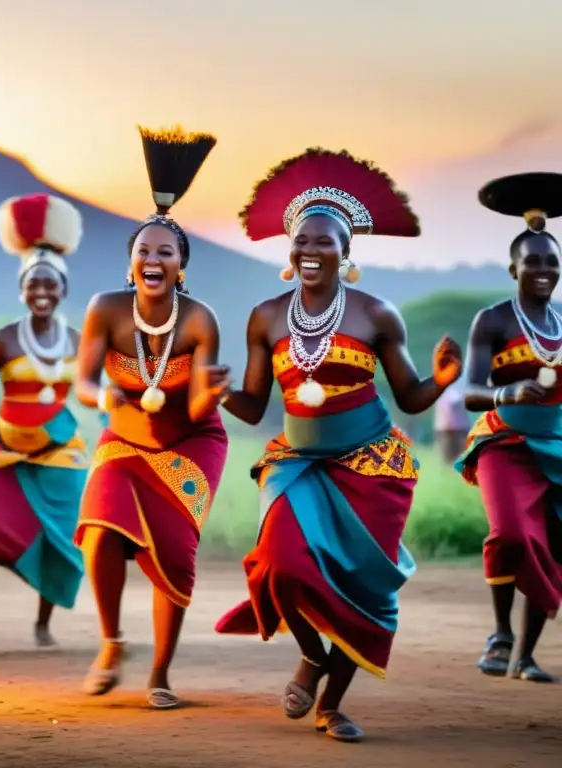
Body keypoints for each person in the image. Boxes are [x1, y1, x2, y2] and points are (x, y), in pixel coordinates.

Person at [214, 148, 462, 742]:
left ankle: (332, 704)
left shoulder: (377, 315)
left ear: (346, 254)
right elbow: (254, 404)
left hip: (369, 466)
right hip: (298, 463)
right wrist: (218, 390)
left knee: (358, 583)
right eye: (302, 240)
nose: (311, 251)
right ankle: (313, 653)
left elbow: (409, 396)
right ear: (289, 248)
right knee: (278, 563)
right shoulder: (266, 317)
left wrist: (444, 381)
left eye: (326, 242)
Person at [72, 126, 229, 710]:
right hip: (126, 434)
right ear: (131, 262)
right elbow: (85, 381)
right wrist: (103, 401)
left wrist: (209, 395)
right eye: (144, 250)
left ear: (181, 267)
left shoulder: (199, 320)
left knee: (173, 551)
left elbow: (192, 408)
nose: (153, 258)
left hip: (191, 441)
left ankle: (160, 672)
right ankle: (111, 642)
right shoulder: (105, 310)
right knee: (101, 529)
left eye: (165, 252)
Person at [0, 193, 88, 650]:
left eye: (50, 284)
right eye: (34, 284)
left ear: (63, 289)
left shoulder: (77, 341)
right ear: (22, 290)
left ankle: (43, 624)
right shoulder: (1, 341)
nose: (42, 292)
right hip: (5, 450)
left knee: (58, 539)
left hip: (59, 455)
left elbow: (94, 390)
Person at [455, 172, 562, 684]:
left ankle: (526, 655)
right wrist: (508, 392)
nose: (544, 270)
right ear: (512, 268)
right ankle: (499, 634)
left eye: (552, 263)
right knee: (512, 533)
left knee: (553, 545)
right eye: (533, 262)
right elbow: (469, 390)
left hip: (557, 447)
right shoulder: (493, 320)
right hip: (503, 439)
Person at [434, 379, 470, 464]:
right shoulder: (447, 394)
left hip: (457, 427)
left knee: (457, 451)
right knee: (449, 451)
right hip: (448, 427)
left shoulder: (459, 393)